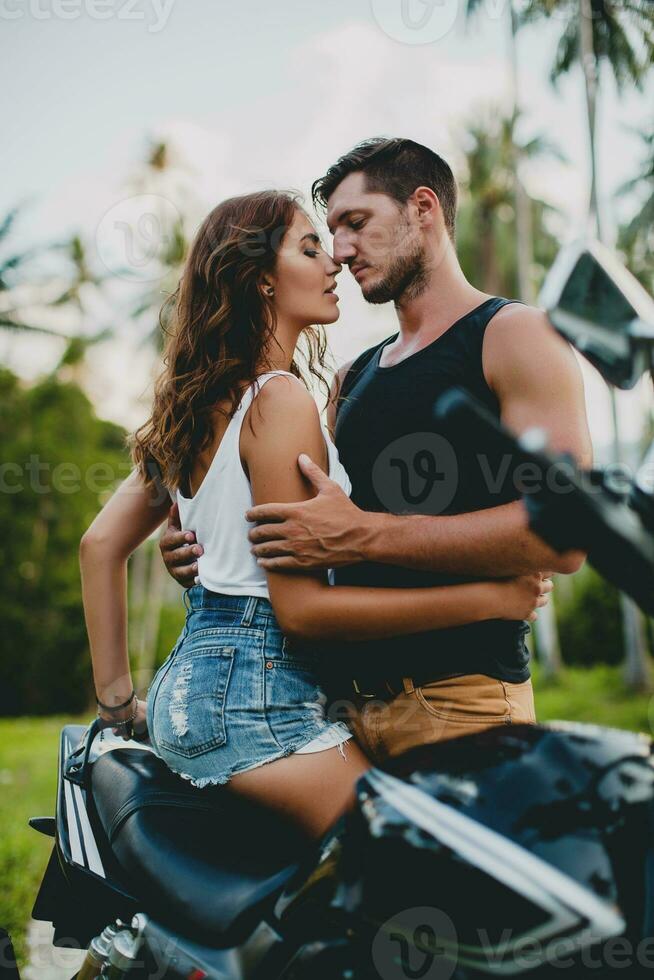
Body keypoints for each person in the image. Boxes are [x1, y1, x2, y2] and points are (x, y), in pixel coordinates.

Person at [80, 189, 551, 839]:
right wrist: (490, 600)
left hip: (186, 691)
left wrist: (117, 703)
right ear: (261, 281)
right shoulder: (281, 400)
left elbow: (99, 546)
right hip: (257, 701)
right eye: (309, 247)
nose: (333, 260)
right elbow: (300, 610)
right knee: (407, 855)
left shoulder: (192, 408)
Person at [161, 139, 592, 763]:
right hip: (332, 712)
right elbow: (309, 539)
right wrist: (204, 545)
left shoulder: (513, 335)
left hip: (459, 703)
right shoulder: (351, 379)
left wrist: (366, 534)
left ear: (423, 209)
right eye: (330, 231)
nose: (339, 249)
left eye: (355, 223)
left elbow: (565, 532)